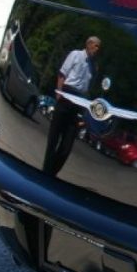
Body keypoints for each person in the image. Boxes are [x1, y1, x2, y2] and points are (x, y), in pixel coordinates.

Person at [42, 37, 101, 176]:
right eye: (96, 46)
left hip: (79, 101)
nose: (97, 50)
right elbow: (62, 74)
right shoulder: (75, 55)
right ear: (88, 44)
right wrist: (59, 94)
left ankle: (52, 172)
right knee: (53, 138)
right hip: (66, 95)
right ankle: (45, 172)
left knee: (66, 145)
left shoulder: (94, 66)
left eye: (99, 47)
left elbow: (88, 87)